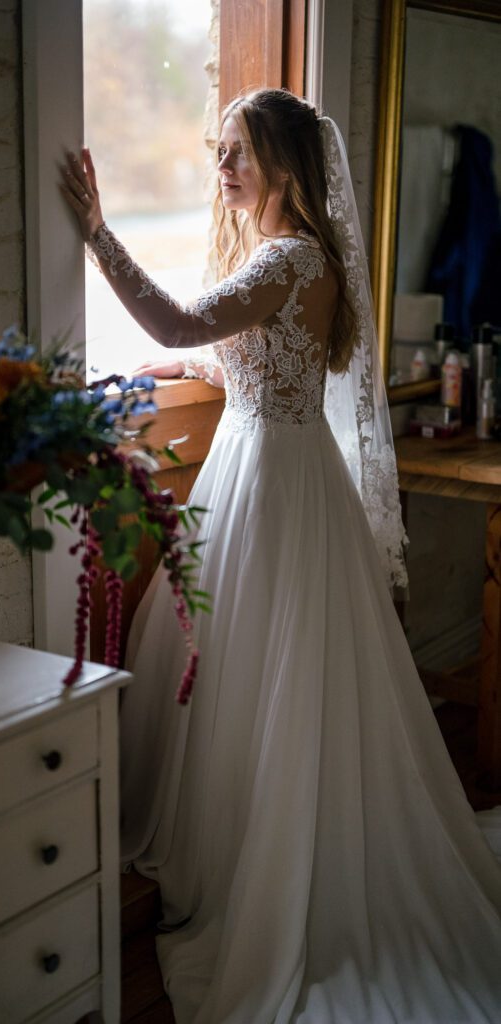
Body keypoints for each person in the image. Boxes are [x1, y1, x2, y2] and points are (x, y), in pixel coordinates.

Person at [60, 89, 501, 1024]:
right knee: (251, 672)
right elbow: (247, 357)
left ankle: (272, 862)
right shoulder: (295, 264)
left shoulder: (290, 255)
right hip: (277, 471)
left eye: (238, 155)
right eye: (217, 151)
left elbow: (181, 322)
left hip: (273, 486)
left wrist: (97, 233)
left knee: (268, 674)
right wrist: (192, 371)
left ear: (286, 169)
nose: (221, 170)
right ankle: (253, 838)